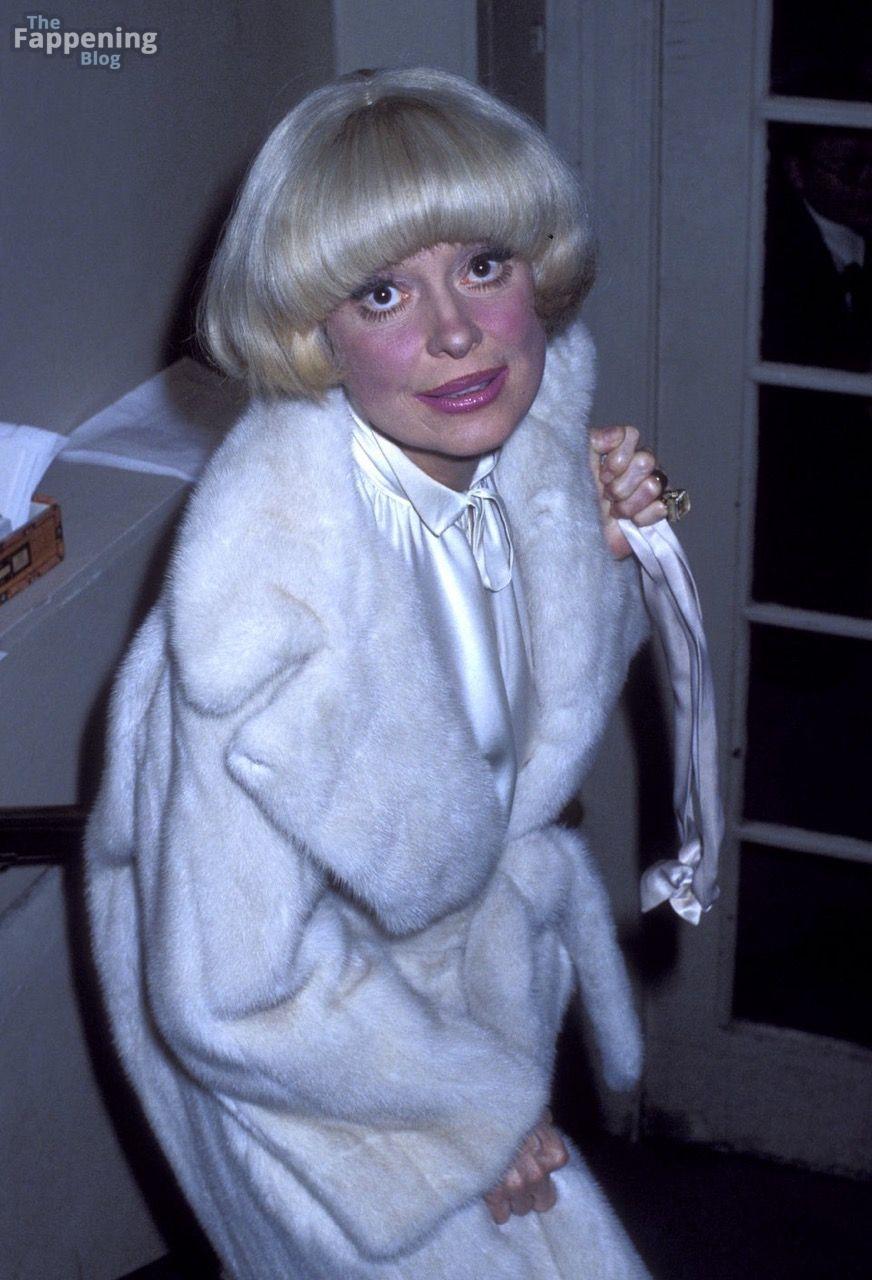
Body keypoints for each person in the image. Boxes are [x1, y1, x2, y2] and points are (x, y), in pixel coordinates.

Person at [86, 67, 676, 1279]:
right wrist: (459, 1113)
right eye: (381, 290)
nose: (454, 331)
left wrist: (605, 548)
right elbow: (230, 992)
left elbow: (523, 718)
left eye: (483, 264)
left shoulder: (513, 450)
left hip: (470, 1008)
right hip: (328, 1086)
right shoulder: (259, 624)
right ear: (311, 329)